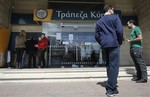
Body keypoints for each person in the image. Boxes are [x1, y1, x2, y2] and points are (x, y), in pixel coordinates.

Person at [95, 5, 123, 97]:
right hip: (114, 44)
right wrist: (119, 41)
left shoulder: (99, 21)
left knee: (108, 65)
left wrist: (102, 42)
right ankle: (110, 90)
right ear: (109, 9)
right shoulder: (115, 18)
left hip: (104, 45)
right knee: (114, 66)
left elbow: (97, 36)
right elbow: (119, 31)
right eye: (113, 10)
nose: (113, 11)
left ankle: (112, 86)